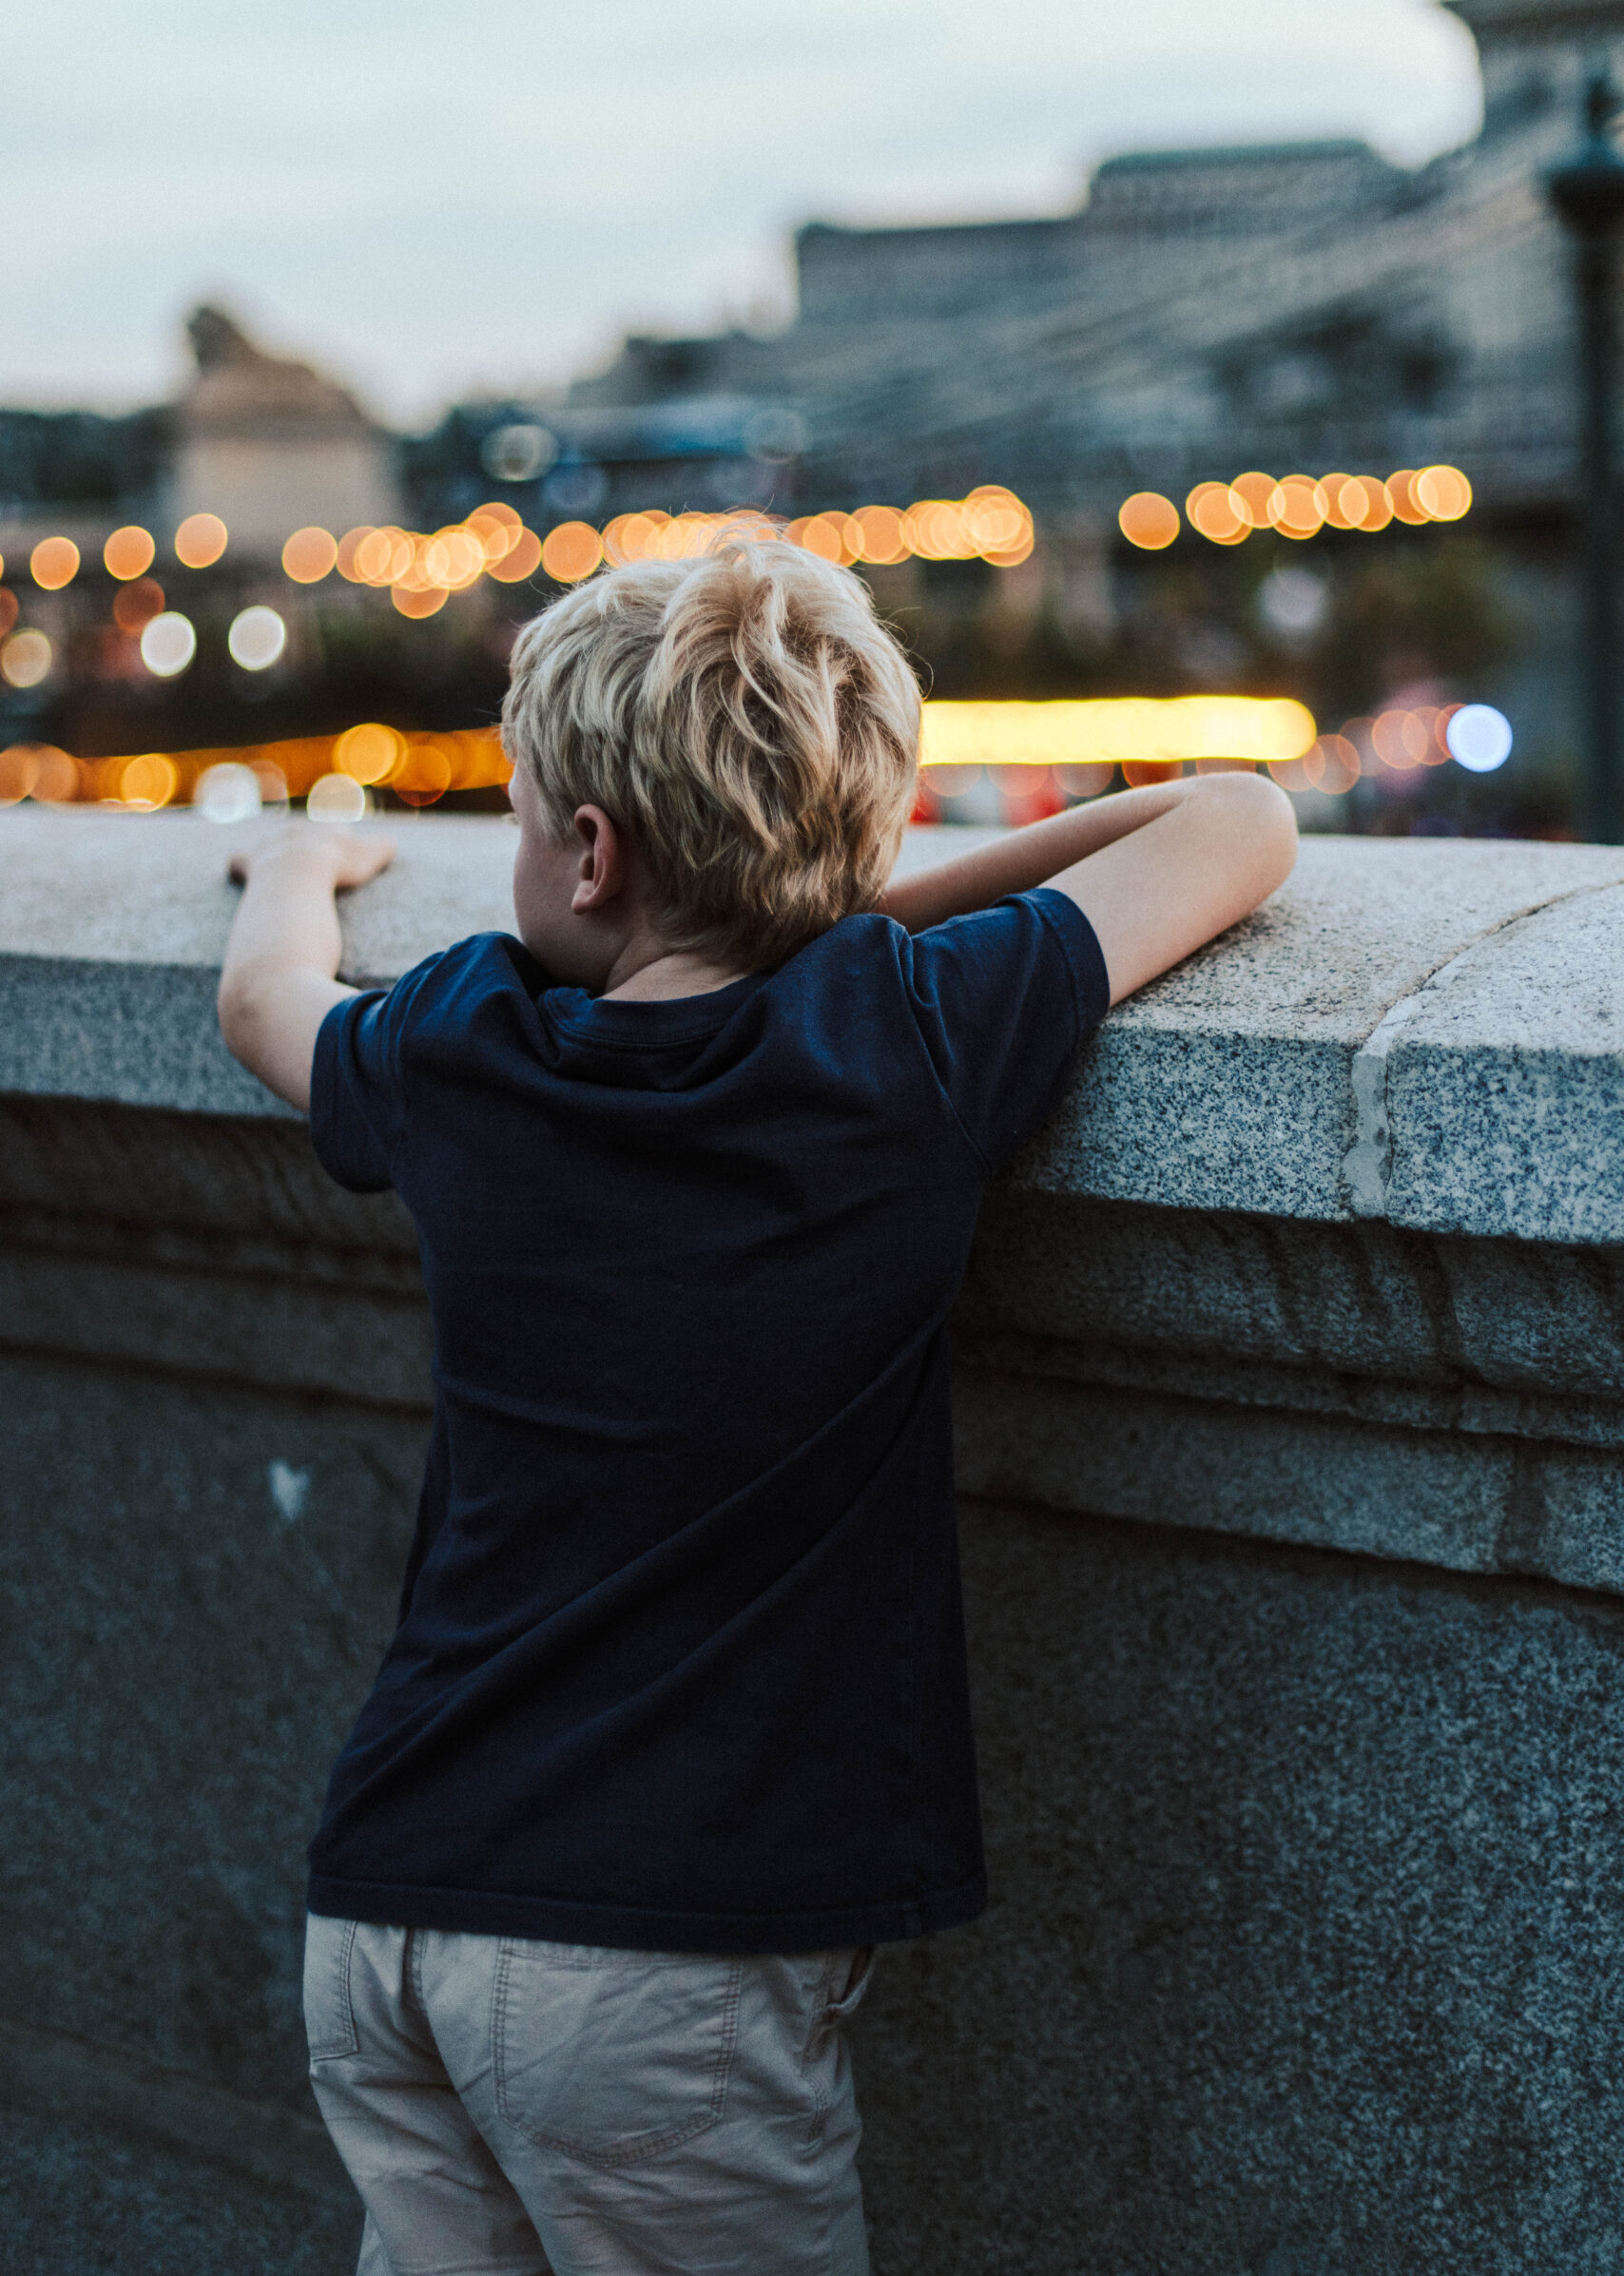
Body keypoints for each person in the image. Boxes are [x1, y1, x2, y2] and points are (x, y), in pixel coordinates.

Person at [218, 536, 1296, 2276]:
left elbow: (263, 1001)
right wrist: (830, 909)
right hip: (663, 1958)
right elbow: (1239, 820)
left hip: (395, 1891)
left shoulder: (462, 1044)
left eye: (517, 814)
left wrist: (297, 859)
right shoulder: (906, 1040)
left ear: (588, 851)